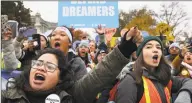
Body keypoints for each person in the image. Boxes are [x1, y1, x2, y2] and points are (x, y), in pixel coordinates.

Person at [1, 26, 143, 103]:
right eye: (38, 64)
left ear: (60, 78)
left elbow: (96, 78)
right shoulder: (10, 93)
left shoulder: (69, 92)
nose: (41, 68)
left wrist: (124, 48)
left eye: (50, 67)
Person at [115, 35, 192, 103]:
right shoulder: (130, 81)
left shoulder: (164, 77)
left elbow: (188, 82)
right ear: (140, 54)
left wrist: (184, 96)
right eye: (149, 47)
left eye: (158, 47)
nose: (155, 50)